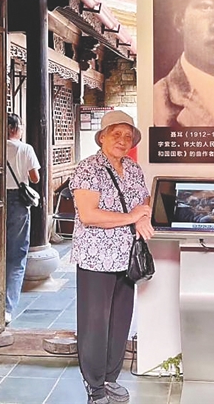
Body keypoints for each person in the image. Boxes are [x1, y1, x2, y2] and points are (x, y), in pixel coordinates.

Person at [70, 111, 154, 404]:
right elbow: (89, 215)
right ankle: (94, 386)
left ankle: (110, 378)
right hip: (96, 259)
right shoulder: (88, 168)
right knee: (95, 323)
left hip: (126, 258)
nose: (122, 140)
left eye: (127, 136)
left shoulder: (133, 168)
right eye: (116, 134)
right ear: (102, 137)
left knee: (120, 321)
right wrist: (132, 217)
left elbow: (144, 201)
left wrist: (142, 217)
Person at [5, 113, 41, 325]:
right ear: (15, 128)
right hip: (18, 202)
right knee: (17, 255)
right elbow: (35, 178)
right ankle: (7, 308)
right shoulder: (26, 148)